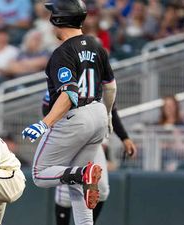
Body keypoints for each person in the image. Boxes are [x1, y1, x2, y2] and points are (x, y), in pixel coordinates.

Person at [21, 1, 117, 225]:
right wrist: (109, 114)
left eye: (53, 14)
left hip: (76, 117)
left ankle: (83, 173)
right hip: (99, 113)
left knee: (39, 174)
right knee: (75, 182)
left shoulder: (62, 53)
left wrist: (44, 123)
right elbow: (110, 86)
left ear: (59, 20)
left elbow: (70, 94)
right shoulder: (96, 44)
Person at [42, 92, 137, 225]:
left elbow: (111, 111)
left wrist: (124, 137)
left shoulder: (101, 79)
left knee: (102, 190)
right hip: (69, 138)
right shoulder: (66, 75)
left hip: (93, 140)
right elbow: (47, 106)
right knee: (65, 193)